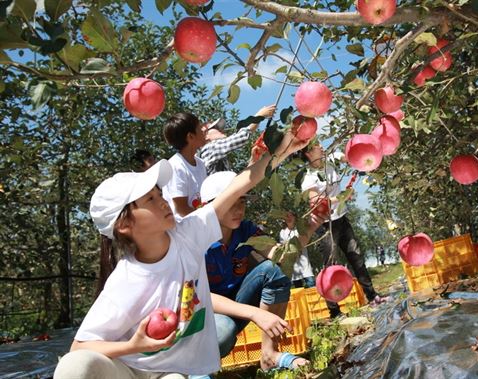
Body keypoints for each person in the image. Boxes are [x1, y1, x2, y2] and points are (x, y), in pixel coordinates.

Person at [52, 130, 309, 379]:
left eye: (159, 194)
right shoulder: (125, 280)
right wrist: (133, 345)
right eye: (150, 200)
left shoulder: (188, 236)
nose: (163, 201)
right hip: (127, 370)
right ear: (124, 225)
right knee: (76, 368)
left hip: (169, 372)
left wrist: (282, 149)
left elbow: (241, 183)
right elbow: (80, 347)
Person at [200, 173, 323, 370]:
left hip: (238, 303)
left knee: (275, 269)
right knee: (224, 331)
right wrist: (255, 313)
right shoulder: (198, 241)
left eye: (242, 201)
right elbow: (200, 296)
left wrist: (310, 227)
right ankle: (200, 370)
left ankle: (269, 354)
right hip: (206, 317)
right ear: (209, 206)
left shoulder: (246, 230)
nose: (239, 209)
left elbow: (282, 256)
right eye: (231, 202)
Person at [299, 142, 388, 318]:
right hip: (325, 226)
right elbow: (316, 202)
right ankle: (334, 311)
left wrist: (354, 155)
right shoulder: (309, 177)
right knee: (330, 266)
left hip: (342, 220)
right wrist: (340, 197)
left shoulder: (330, 161)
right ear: (308, 154)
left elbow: (347, 157)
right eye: (317, 146)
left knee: (357, 258)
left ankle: (373, 296)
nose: (322, 148)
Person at [199, 105, 276, 175]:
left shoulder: (220, 161)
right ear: (205, 136)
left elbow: (236, 184)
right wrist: (259, 116)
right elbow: (241, 137)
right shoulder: (209, 148)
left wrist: (253, 160)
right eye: (216, 128)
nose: (222, 130)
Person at [162, 113, 209, 220]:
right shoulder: (176, 167)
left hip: (199, 228)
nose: (204, 131)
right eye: (199, 128)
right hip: (183, 231)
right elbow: (181, 209)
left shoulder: (200, 163)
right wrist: (209, 217)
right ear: (190, 137)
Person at [279, 211, 316, 288]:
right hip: (294, 268)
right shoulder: (282, 232)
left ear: (295, 217)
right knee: (298, 291)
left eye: (291, 215)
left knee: (311, 285)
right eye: (287, 216)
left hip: (305, 265)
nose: (289, 218)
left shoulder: (300, 229)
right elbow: (283, 248)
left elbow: (304, 240)